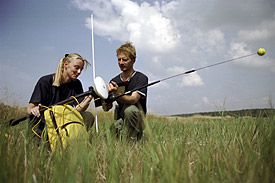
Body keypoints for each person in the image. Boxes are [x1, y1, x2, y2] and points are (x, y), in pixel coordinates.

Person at [27, 53, 95, 137]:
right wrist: (35, 110)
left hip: (64, 122)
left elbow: (78, 110)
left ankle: (74, 139)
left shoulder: (77, 84)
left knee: (88, 116)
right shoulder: (45, 81)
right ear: (66, 64)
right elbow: (30, 108)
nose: (79, 72)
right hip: (45, 123)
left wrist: (90, 97)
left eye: (81, 69)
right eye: (76, 67)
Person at [107, 42, 148, 140]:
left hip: (138, 120)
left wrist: (116, 93)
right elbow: (107, 108)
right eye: (119, 59)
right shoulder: (114, 81)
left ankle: (133, 139)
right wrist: (104, 99)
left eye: (125, 60)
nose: (121, 63)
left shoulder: (141, 78)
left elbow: (133, 99)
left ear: (133, 60)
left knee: (130, 110)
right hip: (121, 120)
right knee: (108, 135)